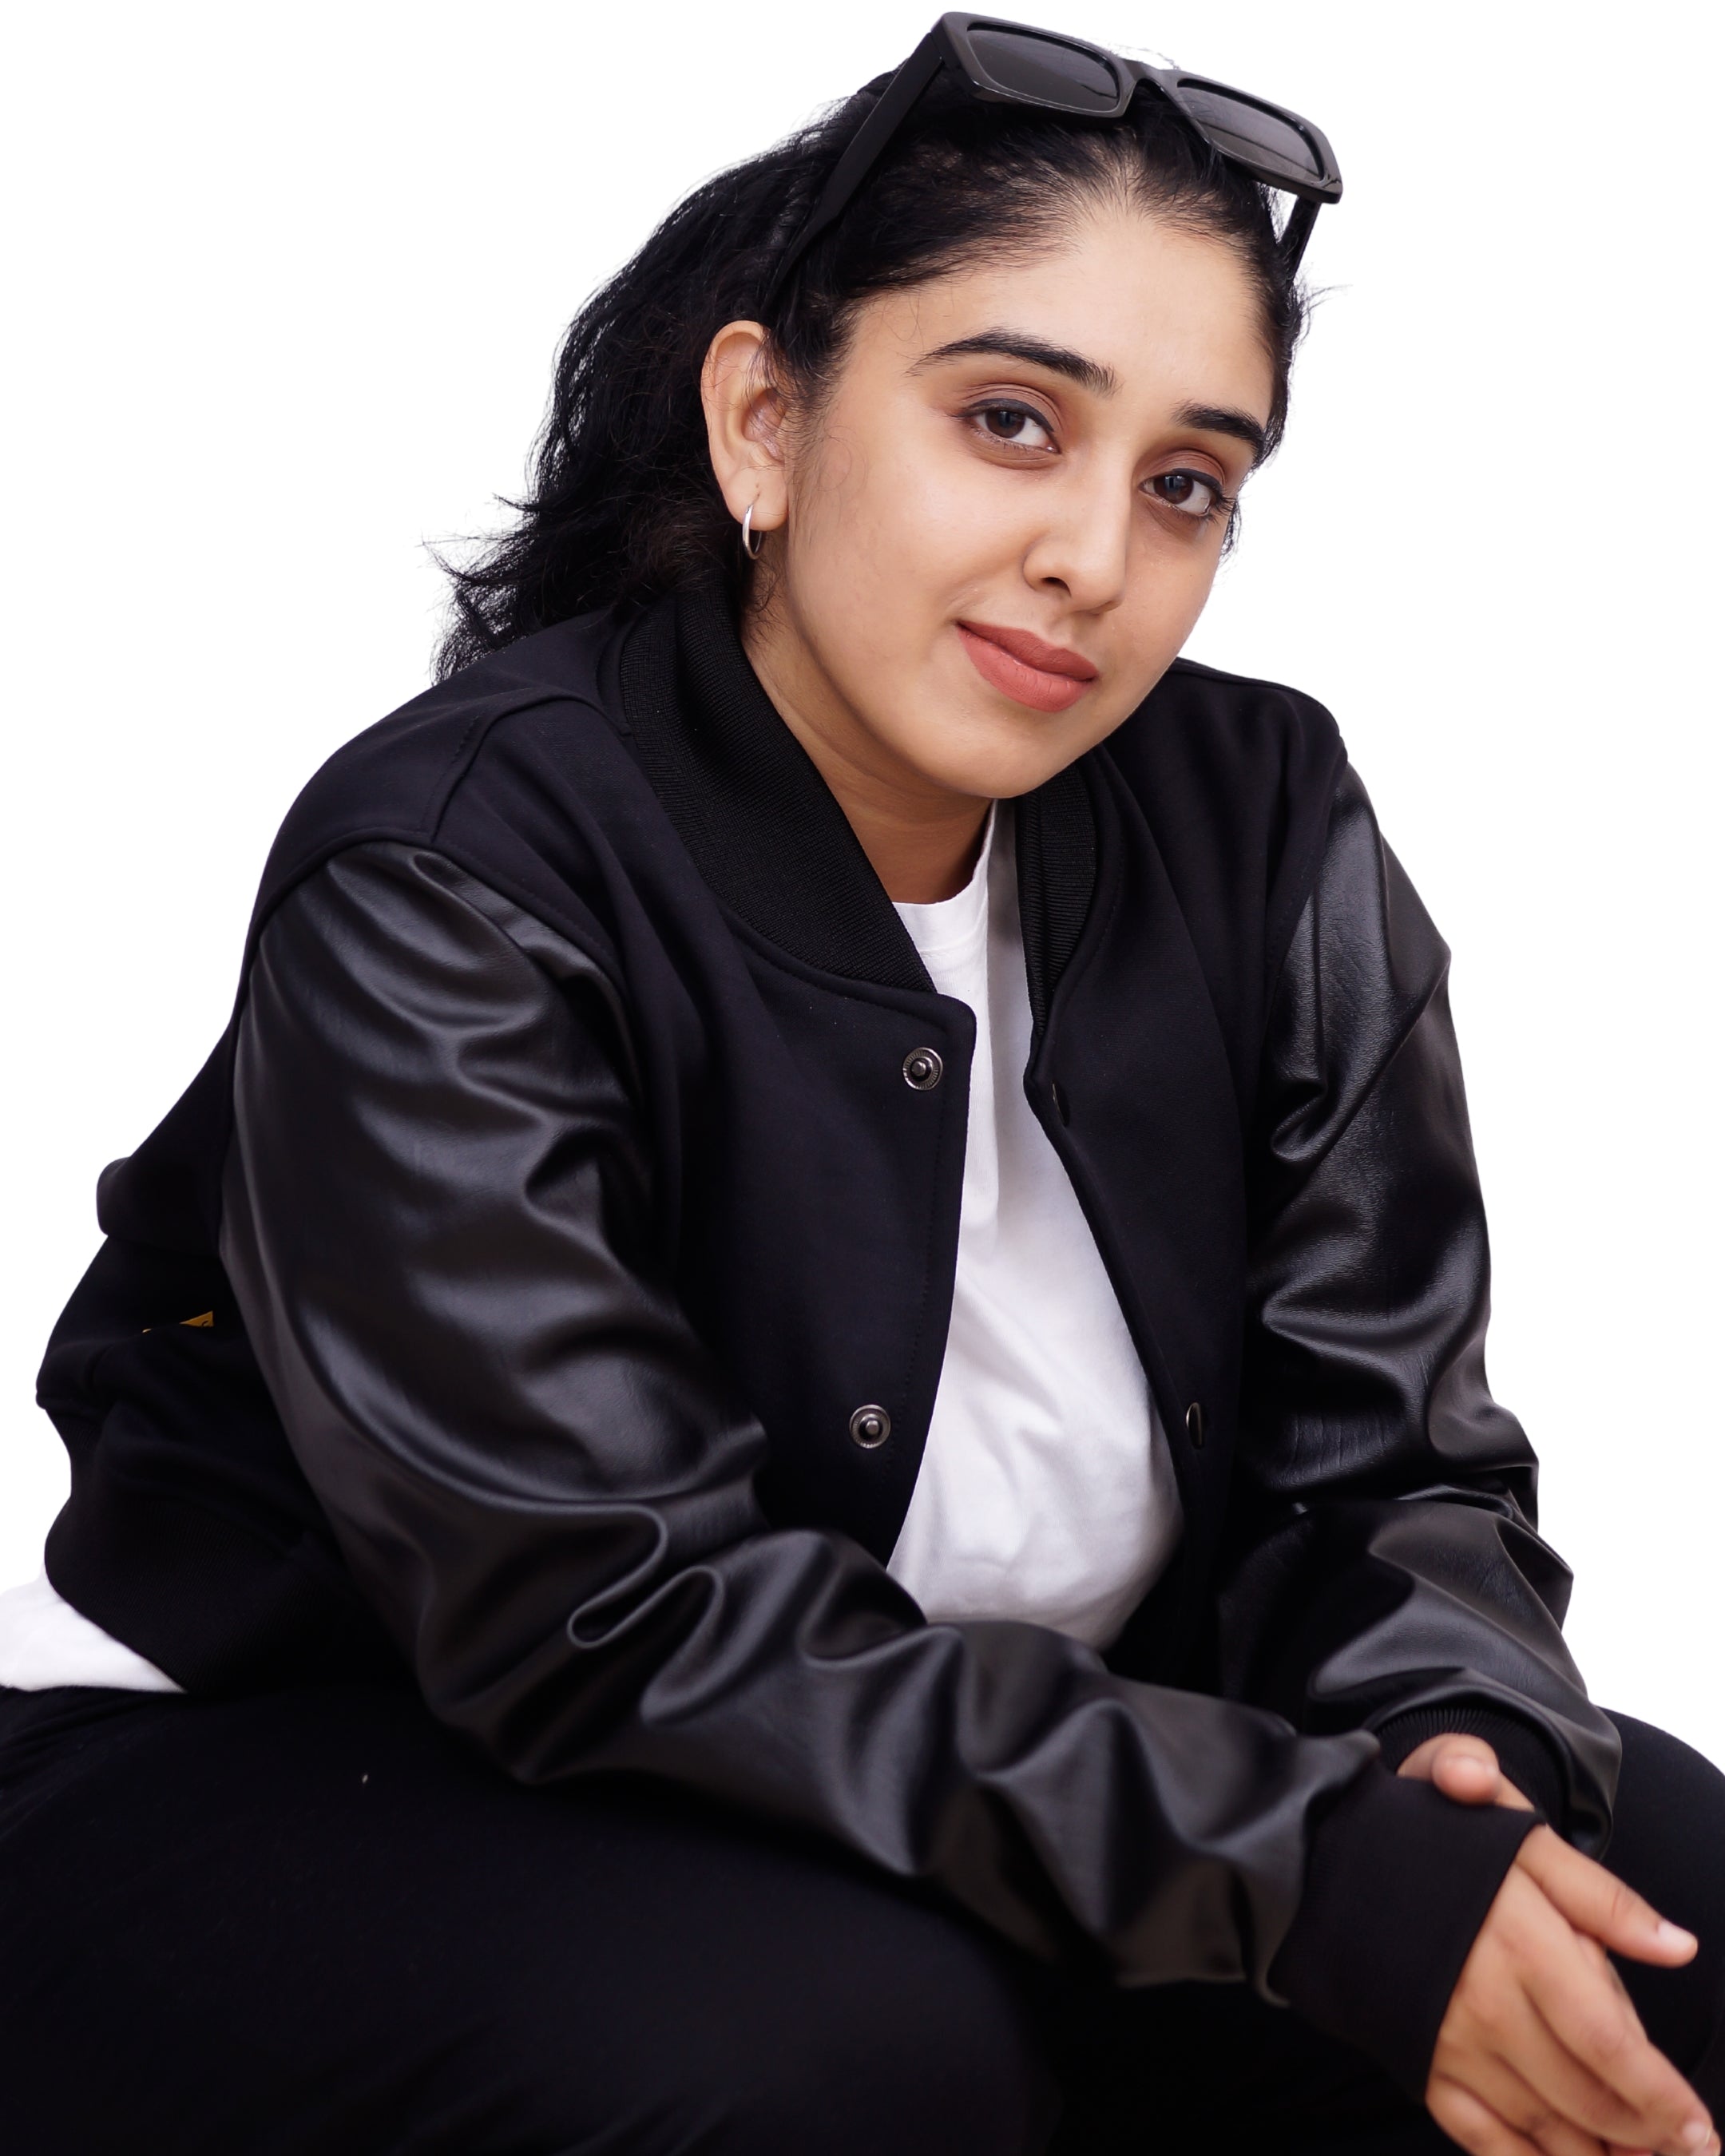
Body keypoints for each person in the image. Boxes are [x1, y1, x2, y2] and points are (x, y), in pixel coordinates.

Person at [2, 15, 1721, 2154]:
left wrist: (1449, 1760)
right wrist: (1303, 1865)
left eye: (1189, 481)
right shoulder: (452, 867)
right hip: (318, 1748)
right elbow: (602, 1611)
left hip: (977, 1778)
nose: (1101, 554)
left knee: (1658, 1899)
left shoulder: (1263, 814)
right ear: (760, 423)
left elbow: (1396, 1469)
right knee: (839, 2051)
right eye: (1012, 419)